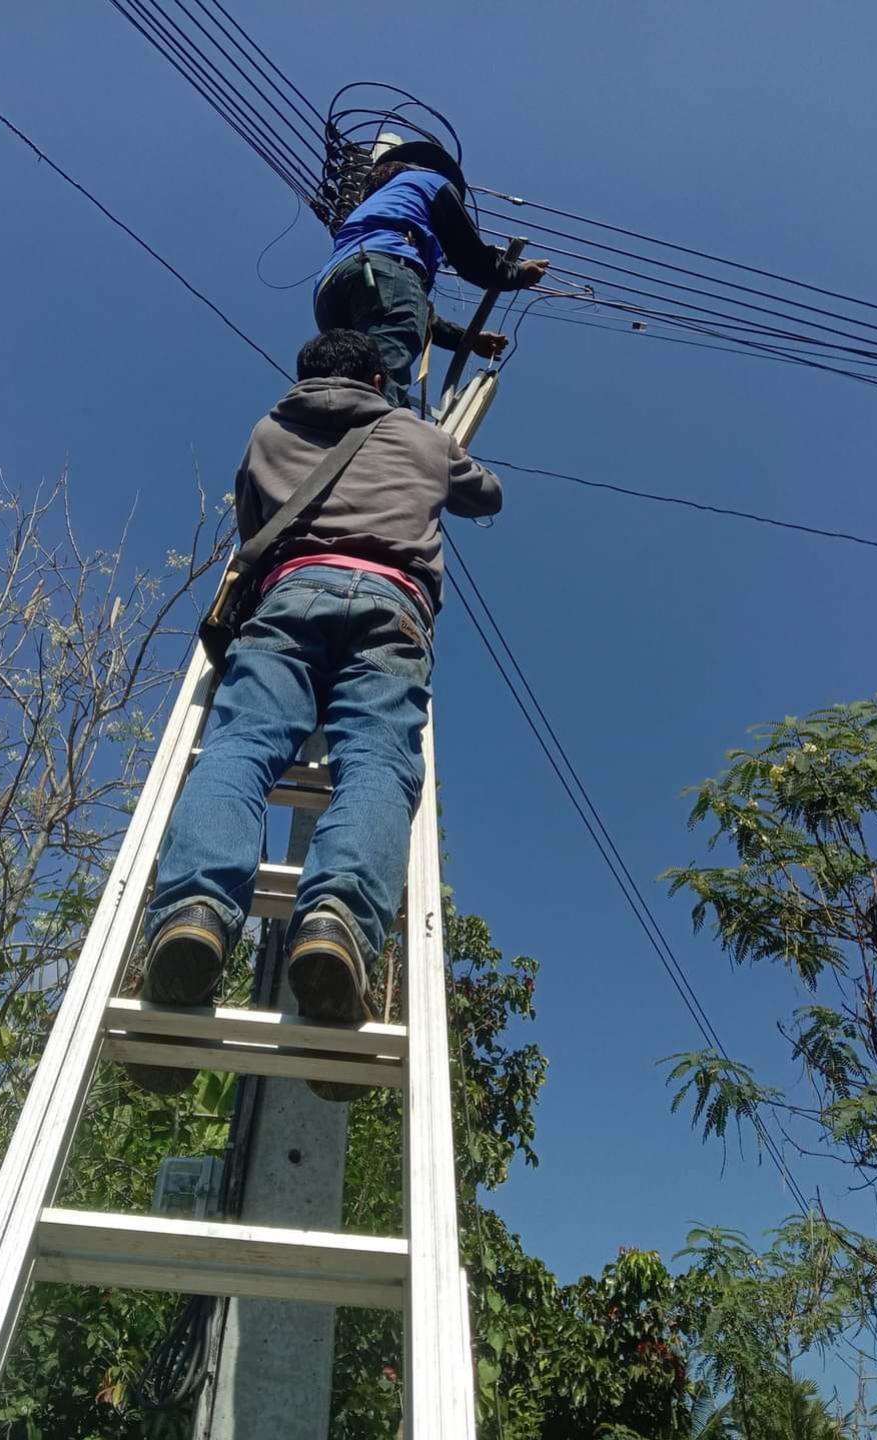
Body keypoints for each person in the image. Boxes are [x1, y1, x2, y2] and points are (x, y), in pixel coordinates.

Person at [130, 329, 502, 1101]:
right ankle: (334, 922)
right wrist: (430, 452)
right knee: (375, 761)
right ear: (376, 375)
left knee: (240, 748)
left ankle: (195, 910)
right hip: (391, 604)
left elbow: (250, 523)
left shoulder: (270, 429)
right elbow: (487, 494)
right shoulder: (415, 432)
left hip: (287, 595)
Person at [314, 140, 550, 406]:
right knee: (377, 386)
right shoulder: (431, 180)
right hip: (384, 269)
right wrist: (518, 274)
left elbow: (409, 308)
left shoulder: (377, 202)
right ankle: (372, 441)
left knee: (345, 386)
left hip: (329, 289)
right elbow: (471, 259)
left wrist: (467, 339)